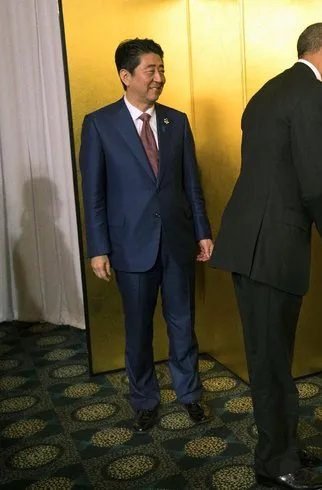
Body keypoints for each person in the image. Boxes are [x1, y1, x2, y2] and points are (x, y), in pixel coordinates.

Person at [210, 23, 322, 490]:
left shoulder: (268, 91)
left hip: (252, 244)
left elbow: (273, 171)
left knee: (272, 358)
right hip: (271, 248)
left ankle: (283, 445)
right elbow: (313, 180)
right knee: (270, 363)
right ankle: (276, 462)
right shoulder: (313, 94)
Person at [80, 38, 213, 433]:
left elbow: (192, 184)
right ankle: (144, 400)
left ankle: (190, 395)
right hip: (130, 246)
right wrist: (98, 248)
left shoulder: (177, 121)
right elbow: (94, 194)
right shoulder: (99, 124)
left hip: (176, 242)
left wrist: (202, 232)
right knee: (137, 331)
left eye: (162, 69)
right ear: (126, 76)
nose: (159, 77)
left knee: (182, 324)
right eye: (150, 70)